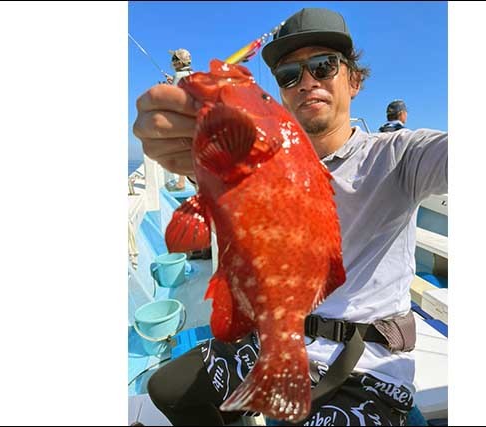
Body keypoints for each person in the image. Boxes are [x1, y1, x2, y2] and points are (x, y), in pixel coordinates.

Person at [133, 7, 447, 426]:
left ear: (353, 80)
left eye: (323, 66)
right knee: (166, 388)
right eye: (289, 75)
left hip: (363, 366)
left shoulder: (401, 155)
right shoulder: (259, 160)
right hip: (275, 337)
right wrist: (192, 158)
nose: (307, 82)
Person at [165, 48, 194, 190]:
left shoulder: (178, 76)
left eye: (174, 59)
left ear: (179, 62)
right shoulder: (193, 74)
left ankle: (181, 182)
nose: (172, 62)